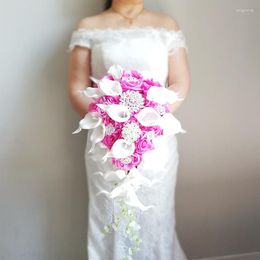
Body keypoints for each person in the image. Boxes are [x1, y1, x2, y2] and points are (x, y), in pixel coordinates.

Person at [67, 0, 191, 259]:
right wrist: (111, 120)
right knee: (110, 212)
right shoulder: (89, 27)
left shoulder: (166, 25)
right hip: (107, 141)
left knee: (156, 212)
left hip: (155, 140)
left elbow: (179, 82)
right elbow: (77, 87)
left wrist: (150, 118)